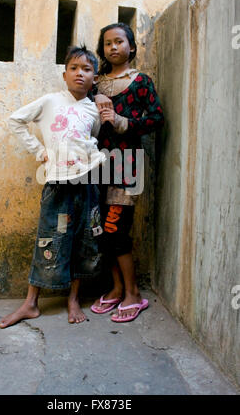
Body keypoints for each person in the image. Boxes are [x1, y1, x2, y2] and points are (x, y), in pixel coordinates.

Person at [0, 45, 105, 328]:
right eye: (74, 68)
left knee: (84, 240)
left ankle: (73, 299)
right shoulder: (49, 101)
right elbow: (16, 120)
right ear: (64, 74)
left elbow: (90, 139)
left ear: (95, 77)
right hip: (58, 185)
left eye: (87, 69)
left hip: (87, 184)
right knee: (49, 237)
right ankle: (31, 302)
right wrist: (39, 150)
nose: (80, 74)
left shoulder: (94, 110)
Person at [91, 23, 164, 322]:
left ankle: (134, 293)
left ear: (131, 47)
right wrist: (93, 97)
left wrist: (123, 122)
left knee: (116, 230)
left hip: (127, 164)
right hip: (96, 164)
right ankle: (117, 287)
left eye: (119, 42)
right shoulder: (95, 83)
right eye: (107, 43)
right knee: (100, 231)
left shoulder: (140, 82)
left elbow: (157, 118)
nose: (113, 48)